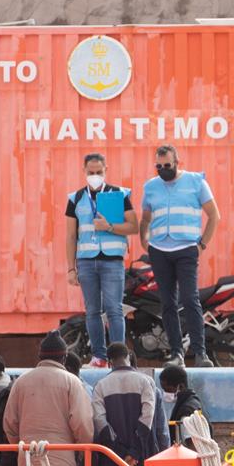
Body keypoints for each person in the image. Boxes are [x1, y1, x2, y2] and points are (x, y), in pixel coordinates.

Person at [139, 143, 221, 366]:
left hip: (186, 250)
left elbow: (214, 215)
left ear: (177, 162)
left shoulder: (196, 182)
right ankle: (177, 354)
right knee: (167, 303)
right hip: (159, 252)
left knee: (190, 299)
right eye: (159, 166)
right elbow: (145, 218)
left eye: (168, 165)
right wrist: (144, 240)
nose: (163, 169)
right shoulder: (151, 187)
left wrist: (201, 245)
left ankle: (200, 353)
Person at [2, 331, 95, 466]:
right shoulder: (72, 382)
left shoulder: (21, 382)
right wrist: (81, 450)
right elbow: (82, 425)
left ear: (40, 356)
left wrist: (22, 448)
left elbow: (9, 424)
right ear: (64, 357)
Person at [66, 152, 138, 368]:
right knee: (92, 311)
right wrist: (71, 268)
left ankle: (119, 358)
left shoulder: (119, 194)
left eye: (99, 172)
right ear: (84, 171)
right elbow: (71, 236)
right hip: (86, 261)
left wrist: (110, 227)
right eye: (91, 172)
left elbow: (133, 226)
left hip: (112, 261)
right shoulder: (76, 198)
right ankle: (99, 357)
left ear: (106, 170)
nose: (95, 176)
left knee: (114, 309)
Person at [154, 362, 205, 449]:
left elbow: (192, 444)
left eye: (168, 389)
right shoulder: (192, 402)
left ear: (180, 386)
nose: (165, 394)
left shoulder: (186, 412)